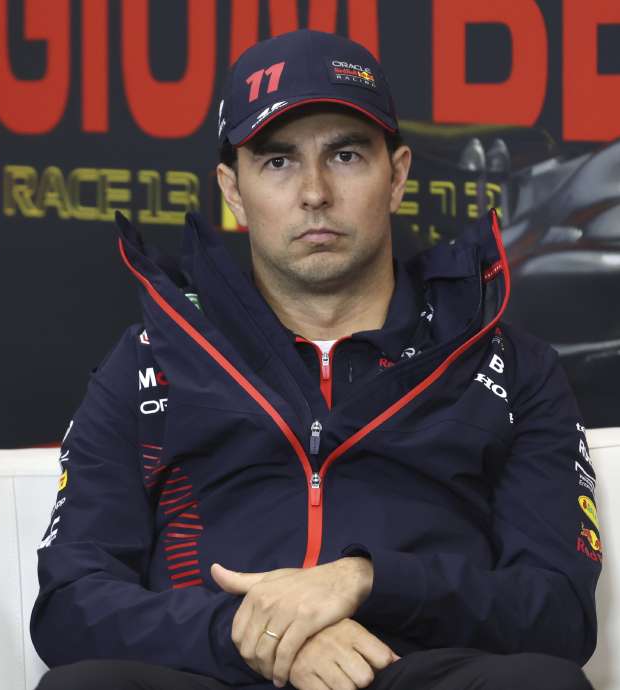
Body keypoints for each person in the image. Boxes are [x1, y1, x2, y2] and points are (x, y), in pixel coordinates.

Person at [31, 29, 599, 690]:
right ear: (233, 189)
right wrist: (258, 633)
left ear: (398, 175)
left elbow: (558, 611)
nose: (314, 192)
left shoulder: (507, 364)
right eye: (278, 162)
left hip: (416, 669)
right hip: (218, 670)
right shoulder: (150, 361)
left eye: (347, 155)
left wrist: (365, 580)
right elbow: (69, 605)